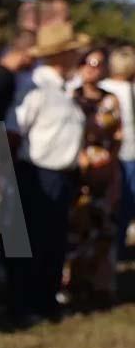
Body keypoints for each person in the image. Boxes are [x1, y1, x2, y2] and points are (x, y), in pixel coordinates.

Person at [7, 22, 88, 323]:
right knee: (34, 243)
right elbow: (14, 131)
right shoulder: (34, 86)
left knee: (52, 243)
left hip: (62, 174)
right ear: (61, 54)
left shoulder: (62, 88)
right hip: (37, 173)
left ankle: (45, 300)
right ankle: (26, 304)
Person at [65, 48, 121, 300]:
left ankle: (98, 285)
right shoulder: (68, 96)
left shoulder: (111, 100)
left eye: (98, 63)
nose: (92, 67)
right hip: (73, 170)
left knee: (102, 228)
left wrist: (112, 170)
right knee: (73, 228)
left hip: (103, 174)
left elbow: (117, 138)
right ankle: (69, 282)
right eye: (87, 62)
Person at [100, 45, 135, 252]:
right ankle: (117, 248)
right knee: (125, 204)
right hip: (128, 155)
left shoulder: (99, 86)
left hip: (105, 156)